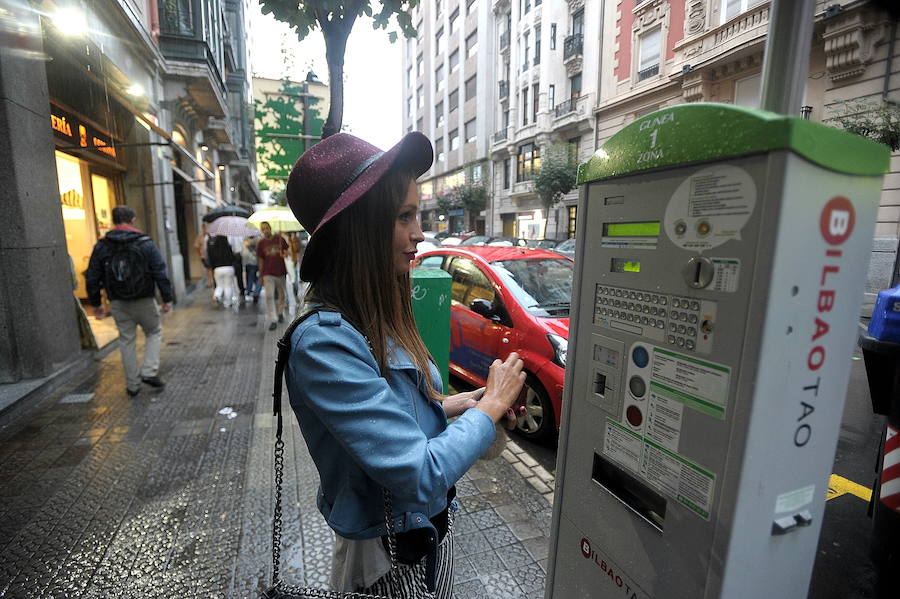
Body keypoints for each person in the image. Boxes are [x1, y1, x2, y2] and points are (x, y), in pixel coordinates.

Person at [283, 131, 526, 597]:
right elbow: (418, 473)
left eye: (418, 214)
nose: (419, 232)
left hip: (429, 532)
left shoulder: (376, 310)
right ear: (360, 228)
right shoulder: (323, 343)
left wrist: (466, 403)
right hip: (385, 556)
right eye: (404, 216)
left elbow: (402, 412)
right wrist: (489, 406)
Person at [85, 205, 173, 397]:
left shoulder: (102, 245)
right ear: (133, 220)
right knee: (154, 332)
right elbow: (160, 271)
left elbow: (92, 275)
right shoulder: (145, 243)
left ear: (114, 221)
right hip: (144, 299)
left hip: (117, 301)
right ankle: (149, 371)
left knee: (126, 340)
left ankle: (133, 385)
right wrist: (167, 298)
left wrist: (96, 303)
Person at [256, 221, 288, 330]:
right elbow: (260, 259)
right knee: (269, 296)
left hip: (281, 272)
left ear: (270, 228)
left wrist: (283, 253)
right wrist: (260, 274)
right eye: (263, 229)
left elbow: (286, 253)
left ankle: (280, 313)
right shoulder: (261, 243)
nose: (265, 230)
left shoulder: (280, 239)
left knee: (282, 294)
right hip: (267, 273)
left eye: (266, 228)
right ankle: (273, 319)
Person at [207, 234, 237, 307]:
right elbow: (233, 258)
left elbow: (211, 260)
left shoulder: (214, 249)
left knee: (219, 285)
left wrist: (213, 268)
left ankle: (217, 295)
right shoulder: (228, 247)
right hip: (229, 268)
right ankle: (228, 303)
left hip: (218, 269)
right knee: (228, 286)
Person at [242, 237, 260, 302]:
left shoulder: (256, 239)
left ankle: (250, 292)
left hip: (254, 262)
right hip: (248, 262)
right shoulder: (246, 239)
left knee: (251, 277)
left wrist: (250, 244)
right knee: (253, 277)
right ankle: (254, 291)